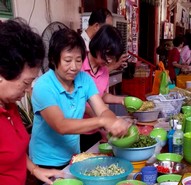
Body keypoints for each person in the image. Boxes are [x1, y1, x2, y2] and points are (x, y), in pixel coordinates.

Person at [0, 18, 62, 185]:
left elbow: (13, 149)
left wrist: (35, 170)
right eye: (25, 83)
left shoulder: (8, 104)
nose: (29, 90)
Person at [29, 28, 130, 168]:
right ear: (53, 59)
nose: (74, 67)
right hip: (46, 162)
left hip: (74, 156)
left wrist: (113, 121)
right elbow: (61, 125)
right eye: (67, 60)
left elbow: (101, 109)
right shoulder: (43, 86)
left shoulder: (85, 80)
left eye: (78, 60)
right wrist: (102, 121)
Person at [80, 24, 127, 151]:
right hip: (77, 131)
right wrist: (102, 120)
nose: (109, 61)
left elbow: (101, 96)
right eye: (107, 56)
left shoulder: (104, 71)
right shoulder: (78, 63)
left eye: (112, 58)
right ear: (98, 45)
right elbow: (78, 101)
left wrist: (121, 100)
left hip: (95, 131)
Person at [81, 8, 128, 72]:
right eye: (107, 27)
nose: (110, 31)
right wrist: (113, 66)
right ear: (96, 26)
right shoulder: (80, 46)